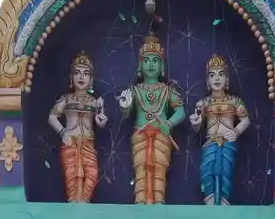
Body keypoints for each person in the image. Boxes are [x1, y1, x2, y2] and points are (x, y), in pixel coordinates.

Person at [117, 33, 185, 204]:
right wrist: (125, 106)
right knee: (141, 169)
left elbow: (181, 112)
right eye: (146, 60)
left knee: (158, 169)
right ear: (140, 66)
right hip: (140, 135)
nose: (151, 64)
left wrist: (169, 123)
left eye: (155, 60)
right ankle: (140, 203)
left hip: (161, 136)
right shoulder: (135, 90)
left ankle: (158, 202)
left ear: (162, 66)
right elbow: (126, 114)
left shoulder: (168, 91)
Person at [189, 53, 250, 205]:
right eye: (212, 75)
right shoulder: (204, 103)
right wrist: (196, 123)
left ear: (227, 80)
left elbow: (246, 120)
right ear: (207, 81)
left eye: (221, 74)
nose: (217, 78)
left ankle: (223, 201)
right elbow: (198, 126)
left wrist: (235, 132)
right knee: (207, 171)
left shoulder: (234, 101)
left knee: (225, 172)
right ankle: (210, 200)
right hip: (209, 144)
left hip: (227, 144)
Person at [47, 52, 107, 203]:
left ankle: (84, 202)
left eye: (86, 74)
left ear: (91, 80)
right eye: (77, 73)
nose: (81, 77)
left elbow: (100, 122)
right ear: (71, 78)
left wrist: (102, 117)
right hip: (70, 142)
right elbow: (52, 117)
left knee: (92, 175)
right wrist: (63, 133)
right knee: (71, 176)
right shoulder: (66, 99)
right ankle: (73, 202)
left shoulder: (94, 102)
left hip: (88, 143)